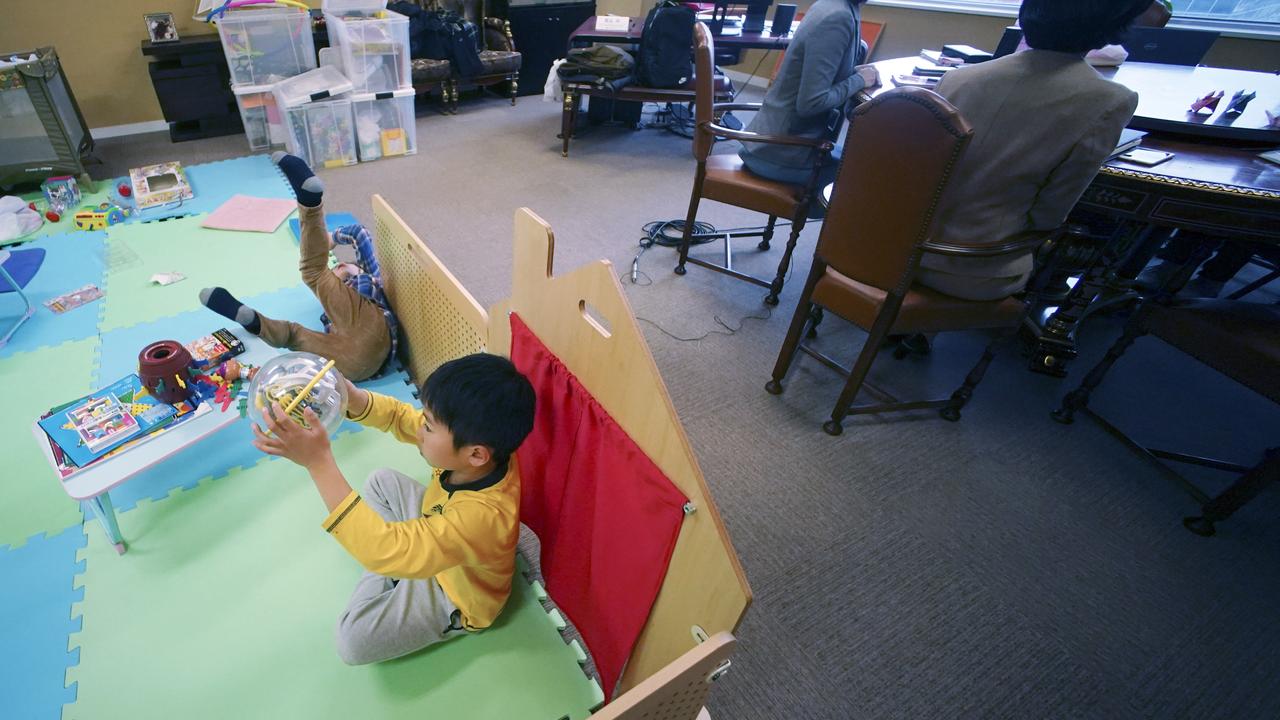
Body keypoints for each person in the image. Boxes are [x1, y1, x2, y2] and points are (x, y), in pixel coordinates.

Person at [252, 352, 537, 664]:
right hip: (440, 531)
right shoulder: (485, 453)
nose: (419, 429)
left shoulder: (482, 517)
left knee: (352, 641)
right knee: (380, 481)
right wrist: (356, 400)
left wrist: (318, 462)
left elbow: (386, 549)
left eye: (428, 426)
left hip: (454, 591)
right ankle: (399, 566)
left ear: (476, 455)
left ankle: (398, 570)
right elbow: (402, 418)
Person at [915, 0, 1153, 302]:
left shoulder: (960, 77)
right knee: (1090, 228)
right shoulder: (1110, 100)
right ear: (1113, 29)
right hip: (979, 266)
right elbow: (1052, 210)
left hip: (905, 248)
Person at [199, 153, 397, 381]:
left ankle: (257, 324)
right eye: (339, 270)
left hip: (356, 360)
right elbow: (358, 238)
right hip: (349, 365)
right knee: (296, 324)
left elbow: (355, 239)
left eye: (341, 269)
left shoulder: (358, 291)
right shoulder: (360, 287)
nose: (341, 266)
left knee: (307, 294)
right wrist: (338, 251)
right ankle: (254, 321)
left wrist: (335, 251)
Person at [738, 0, 879, 188]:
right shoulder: (838, 17)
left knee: (866, 167)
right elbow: (812, 103)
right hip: (780, 150)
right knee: (870, 179)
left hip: (779, 141)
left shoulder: (832, 5)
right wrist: (859, 80)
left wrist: (855, 76)